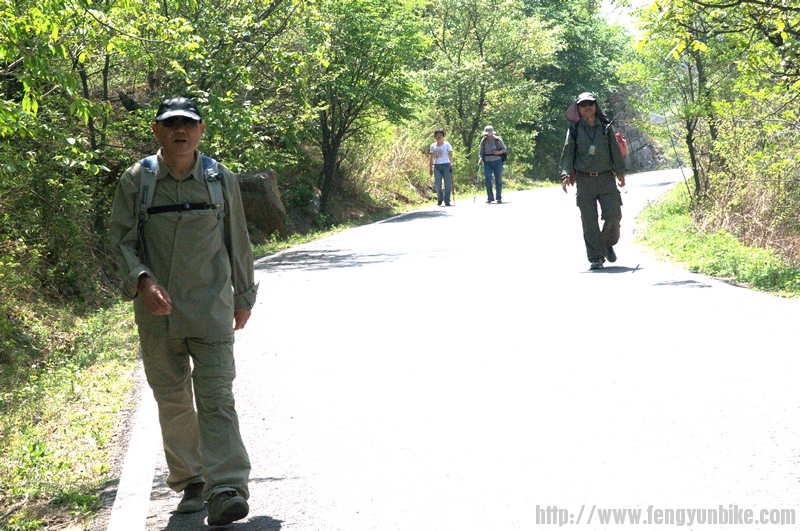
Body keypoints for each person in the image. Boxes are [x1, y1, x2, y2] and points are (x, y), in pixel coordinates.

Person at [109, 97, 258, 526]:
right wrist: (143, 280)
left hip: (211, 309)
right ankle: (192, 481)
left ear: (201, 130)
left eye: (188, 124)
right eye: (171, 123)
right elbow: (120, 240)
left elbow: (239, 239)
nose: (180, 130)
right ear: (157, 130)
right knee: (173, 400)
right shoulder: (137, 180)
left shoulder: (218, 178)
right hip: (158, 314)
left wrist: (244, 296)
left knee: (216, 398)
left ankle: (226, 486)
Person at [559, 92, 626, 270]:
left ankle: (606, 243)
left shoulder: (605, 126)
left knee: (614, 216)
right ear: (578, 109)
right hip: (584, 180)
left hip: (606, 178)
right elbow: (568, 152)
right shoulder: (574, 129)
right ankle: (596, 257)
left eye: (590, 103)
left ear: (595, 106)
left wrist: (620, 174)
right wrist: (565, 174)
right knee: (589, 222)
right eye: (583, 105)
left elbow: (615, 150)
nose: (587, 107)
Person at [478, 125, 507, 203]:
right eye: (487, 135)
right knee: (487, 179)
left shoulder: (497, 140)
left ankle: (498, 197)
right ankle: (490, 197)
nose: (488, 136)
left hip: (497, 161)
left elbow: (504, 149)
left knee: (498, 179)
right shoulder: (483, 141)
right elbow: (481, 152)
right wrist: (480, 158)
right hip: (487, 162)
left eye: (489, 135)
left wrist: (498, 152)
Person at [429, 128, 454, 206]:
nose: (439, 136)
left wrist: (451, 162)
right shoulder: (433, 146)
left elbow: (451, 154)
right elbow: (431, 158)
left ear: (443, 136)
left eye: (440, 135)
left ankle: (447, 200)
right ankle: (440, 198)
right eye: (437, 135)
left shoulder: (447, 144)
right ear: (435, 136)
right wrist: (430, 168)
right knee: (437, 183)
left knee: (447, 183)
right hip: (437, 166)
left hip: (446, 165)